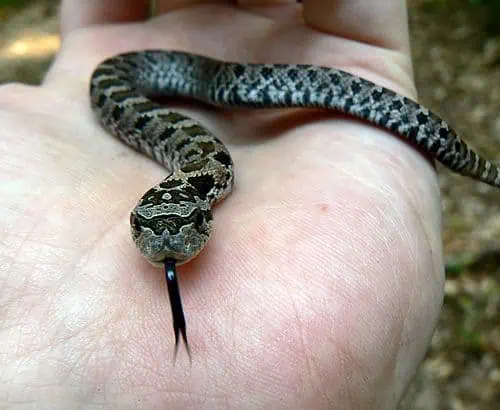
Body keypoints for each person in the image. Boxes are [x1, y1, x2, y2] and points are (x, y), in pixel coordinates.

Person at [0, 1, 445, 408]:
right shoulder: (192, 172)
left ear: (202, 207)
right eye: (146, 230)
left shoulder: (207, 171)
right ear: (137, 217)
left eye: (189, 223)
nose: (169, 245)